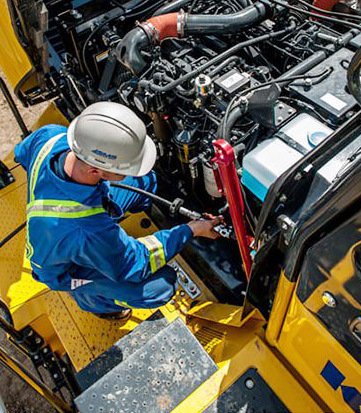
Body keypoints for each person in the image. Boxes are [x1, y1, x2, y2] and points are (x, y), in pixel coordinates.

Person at [15, 101, 223, 320]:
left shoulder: (52, 136)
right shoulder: (85, 229)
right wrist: (190, 230)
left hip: (78, 204)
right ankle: (97, 302)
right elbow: (135, 263)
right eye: (122, 169)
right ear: (95, 170)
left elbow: (22, 153)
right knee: (159, 287)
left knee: (145, 181)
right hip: (65, 270)